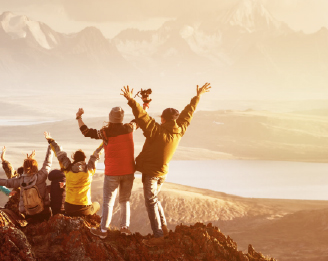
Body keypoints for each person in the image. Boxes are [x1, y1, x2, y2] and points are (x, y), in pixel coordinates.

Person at [122, 83, 212, 243]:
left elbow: (142, 117)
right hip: (163, 173)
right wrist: (198, 97)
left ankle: (158, 236)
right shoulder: (180, 129)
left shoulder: (157, 131)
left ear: (163, 119)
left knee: (150, 202)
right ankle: (163, 229)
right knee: (154, 199)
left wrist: (130, 99)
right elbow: (188, 113)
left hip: (152, 174)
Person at [77, 106, 137, 239]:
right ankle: (124, 228)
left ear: (110, 118)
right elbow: (139, 119)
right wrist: (144, 105)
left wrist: (79, 117)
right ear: (121, 118)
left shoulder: (105, 132)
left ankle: (103, 230)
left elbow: (86, 132)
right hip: (128, 171)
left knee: (108, 202)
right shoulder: (129, 128)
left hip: (112, 173)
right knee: (125, 199)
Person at [0, 140, 53, 223]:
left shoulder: (20, 180)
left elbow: (6, 182)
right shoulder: (40, 177)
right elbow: (48, 163)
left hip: (29, 214)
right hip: (44, 212)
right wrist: (50, 144)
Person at [46, 132, 101, 217]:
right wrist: (105, 142)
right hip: (84, 208)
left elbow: (59, 152)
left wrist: (50, 140)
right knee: (97, 204)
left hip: (69, 208)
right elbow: (96, 154)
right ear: (84, 159)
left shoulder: (68, 169)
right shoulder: (89, 170)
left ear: (74, 158)